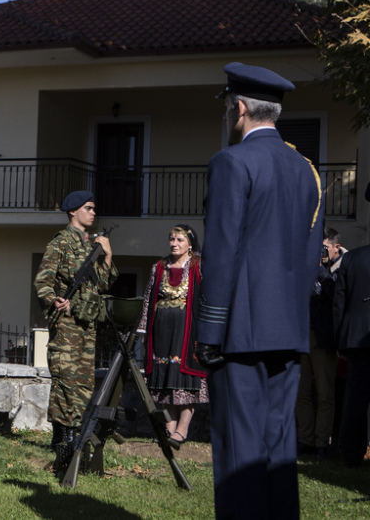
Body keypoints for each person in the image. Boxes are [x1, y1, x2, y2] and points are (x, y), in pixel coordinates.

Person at [194, 62, 324, 520]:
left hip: (240, 334)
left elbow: (222, 252)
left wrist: (209, 331)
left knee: (239, 454)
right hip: (287, 330)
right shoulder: (307, 170)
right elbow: (310, 260)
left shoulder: (231, 161)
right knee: (278, 450)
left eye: (231, 108)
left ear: (241, 107)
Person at [34, 190, 116, 451]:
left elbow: (103, 282)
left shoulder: (91, 245)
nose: (93, 212)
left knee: (84, 381)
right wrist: (54, 300)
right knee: (65, 379)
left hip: (87, 324)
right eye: (88, 208)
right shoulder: (60, 243)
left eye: (94, 208)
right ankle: (62, 437)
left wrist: (108, 255)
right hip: (67, 323)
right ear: (73, 211)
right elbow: (42, 282)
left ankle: (76, 432)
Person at [138, 225, 207, 446]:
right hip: (161, 333)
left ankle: (182, 430)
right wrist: (143, 329)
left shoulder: (199, 266)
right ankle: (168, 430)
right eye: (171, 239)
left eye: (179, 239)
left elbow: (207, 297)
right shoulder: (159, 267)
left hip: (187, 334)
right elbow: (149, 297)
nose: (174, 243)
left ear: (190, 244)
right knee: (164, 379)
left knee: (185, 380)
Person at [296, 227, 345, 459]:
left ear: (336, 247)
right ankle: (305, 439)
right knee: (301, 391)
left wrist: (322, 273)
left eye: (324, 248)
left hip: (324, 338)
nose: (321, 252)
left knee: (326, 392)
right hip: (301, 334)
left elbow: (338, 294)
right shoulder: (306, 267)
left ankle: (322, 442)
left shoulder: (343, 266)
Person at [331, 243, 370, 468]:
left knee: (355, 398)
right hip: (359, 336)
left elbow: (339, 302)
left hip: (356, 337)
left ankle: (352, 452)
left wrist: (340, 338)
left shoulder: (352, 258)